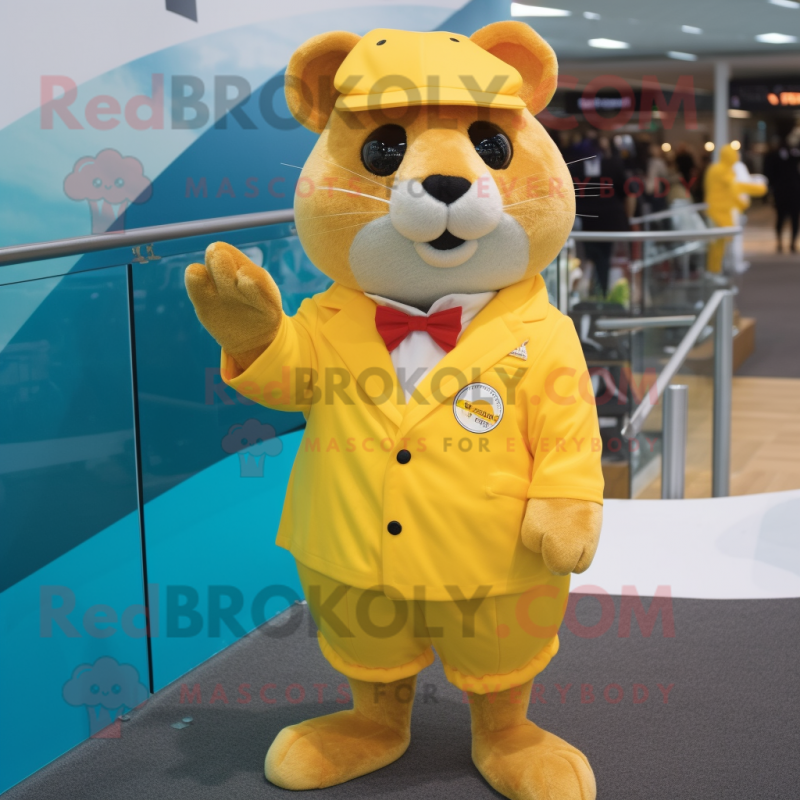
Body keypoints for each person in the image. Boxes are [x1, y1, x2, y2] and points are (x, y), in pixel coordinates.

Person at [568, 134, 630, 296]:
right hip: (608, 220)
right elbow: (627, 193)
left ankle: (588, 293)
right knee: (603, 258)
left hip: (584, 221)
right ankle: (598, 293)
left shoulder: (576, 167)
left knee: (587, 258)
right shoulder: (613, 165)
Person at [763, 131, 800, 253]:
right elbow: (769, 173)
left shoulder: (795, 154)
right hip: (782, 192)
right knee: (781, 218)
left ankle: (792, 243)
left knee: (794, 219)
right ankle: (780, 242)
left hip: (794, 192)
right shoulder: (774, 156)